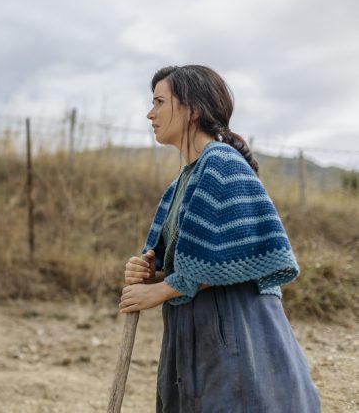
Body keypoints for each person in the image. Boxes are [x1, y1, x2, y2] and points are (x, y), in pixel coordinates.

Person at [119, 65, 320, 412]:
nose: (150, 114)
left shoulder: (221, 163)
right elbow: (186, 259)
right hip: (198, 329)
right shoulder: (183, 180)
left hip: (233, 329)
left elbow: (218, 261)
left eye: (159, 102)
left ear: (192, 109)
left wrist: (157, 291)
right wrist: (146, 270)